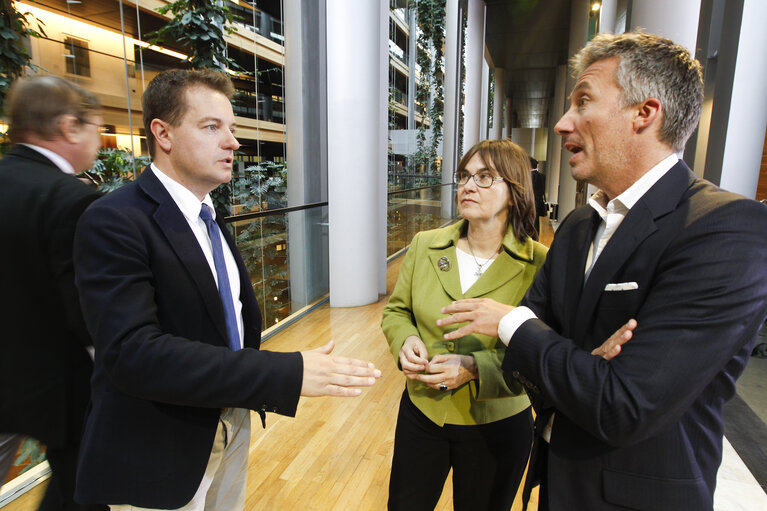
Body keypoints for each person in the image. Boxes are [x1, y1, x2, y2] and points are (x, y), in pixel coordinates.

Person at [439, 32, 767, 510]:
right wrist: (581, 364)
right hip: (555, 479)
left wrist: (511, 323)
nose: (561, 123)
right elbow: (521, 362)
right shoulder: (576, 226)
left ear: (644, 113)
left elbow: (623, 405)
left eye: (583, 101)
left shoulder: (724, 228)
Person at [72, 69, 380, 510]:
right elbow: (132, 353)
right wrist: (280, 373)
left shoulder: (209, 217)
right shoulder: (114, 221)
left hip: (229, 424)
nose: (233, 142)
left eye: (232, 129)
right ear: (163, 133)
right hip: (160, 452)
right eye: (212, 127)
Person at [0, 76, 105, 510]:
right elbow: (84, 309)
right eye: (97, 128)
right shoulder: (70, 199)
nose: (100, 141)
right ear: (68, 127)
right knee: (83, 487)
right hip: (54, 383)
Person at [529, 157, 546, 239]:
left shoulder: (526, 176)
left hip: (528, 201)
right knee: (536, 222)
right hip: (538, 202)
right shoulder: (542, 176)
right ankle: (536, 238)